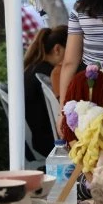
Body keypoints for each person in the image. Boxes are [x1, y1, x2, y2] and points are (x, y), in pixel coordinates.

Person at [24, 25, 68, 157]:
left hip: (33, 143)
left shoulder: (32, 69)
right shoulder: (50, 74)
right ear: (57, 49)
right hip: (50, 144)